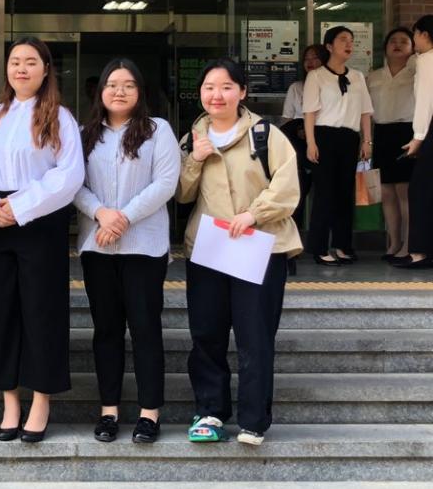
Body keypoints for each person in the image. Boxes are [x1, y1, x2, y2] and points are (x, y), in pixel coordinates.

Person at [0, 37, 84, 444]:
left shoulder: (60, 117)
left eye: (31, 62)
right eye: (15, 61)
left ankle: (41, 400)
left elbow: (69, 175)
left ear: (45, 70)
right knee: (1, 312)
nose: (21, 68)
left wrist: (20, 206)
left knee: (41, 311)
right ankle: (10, 400)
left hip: (40, 221)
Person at [177, 58, 301, 446]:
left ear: (242, 92)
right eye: (209, 87)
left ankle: (253, 420)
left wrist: (254, 214)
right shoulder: (191, 138)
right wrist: (195, 160)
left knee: (255, 335)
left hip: (260, 246)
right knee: (206, 333)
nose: (217, 94)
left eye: (227, 86)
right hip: (209, 248)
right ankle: (210, 411)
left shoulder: (266, 134)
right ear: (200, 93)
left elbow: (287, 187)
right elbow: (181, 194)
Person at [74, 58, 180, 444]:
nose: (119, 91)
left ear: (140, 92)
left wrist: (122, 218)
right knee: (106, 331)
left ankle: (149, 413)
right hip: (97, 247)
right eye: (112, 84)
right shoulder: (84, 134)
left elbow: (166, 182)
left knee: (145, 328)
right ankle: (109, 411)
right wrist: (101, 214)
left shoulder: (158, 130)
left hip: (144, 247)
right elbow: (72, 183)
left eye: (128, 85)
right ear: (100, 91)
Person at [303, 25, 374, 266]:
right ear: (329, 46)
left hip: (349, 137)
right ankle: (319, 247)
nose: (349, 44)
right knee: (324, 193)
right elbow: (309, 113)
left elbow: (365, 112)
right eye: (343, 39)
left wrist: (367, 140)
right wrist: (311, 143)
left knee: (345, 193)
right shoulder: (316, 76)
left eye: (351, 40)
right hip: (324, 136)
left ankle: (343, 245)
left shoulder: (357, 77)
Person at [366, 29, 416, 263]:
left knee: (405, 191)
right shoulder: (374, 76)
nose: (397, 44)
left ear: (412, 48)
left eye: (404, 41)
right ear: (385, 48)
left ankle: (408, 243)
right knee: (386, 192)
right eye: (393, 41)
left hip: (408, 133)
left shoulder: (417, 74)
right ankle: (394, 242)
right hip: (382, 133)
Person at [398, 15, 433, 269]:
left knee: (420, 190)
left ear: (424, 34)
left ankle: (420, 252)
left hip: (431, 131)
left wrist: (418, 137)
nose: (414, 40)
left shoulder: (427, 60)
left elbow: (425, 102)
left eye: (415, 35)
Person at [280, 44, 327, 229]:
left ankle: (320, 236)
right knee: (297, 194)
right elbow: (286, 119)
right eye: (307, 59)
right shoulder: (296, 88)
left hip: (325, 144)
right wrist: (297, 130)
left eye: (315, 58)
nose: (310, 62)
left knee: (324, 195)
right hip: (300, 147)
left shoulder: (331, 86)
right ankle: (295, 235)